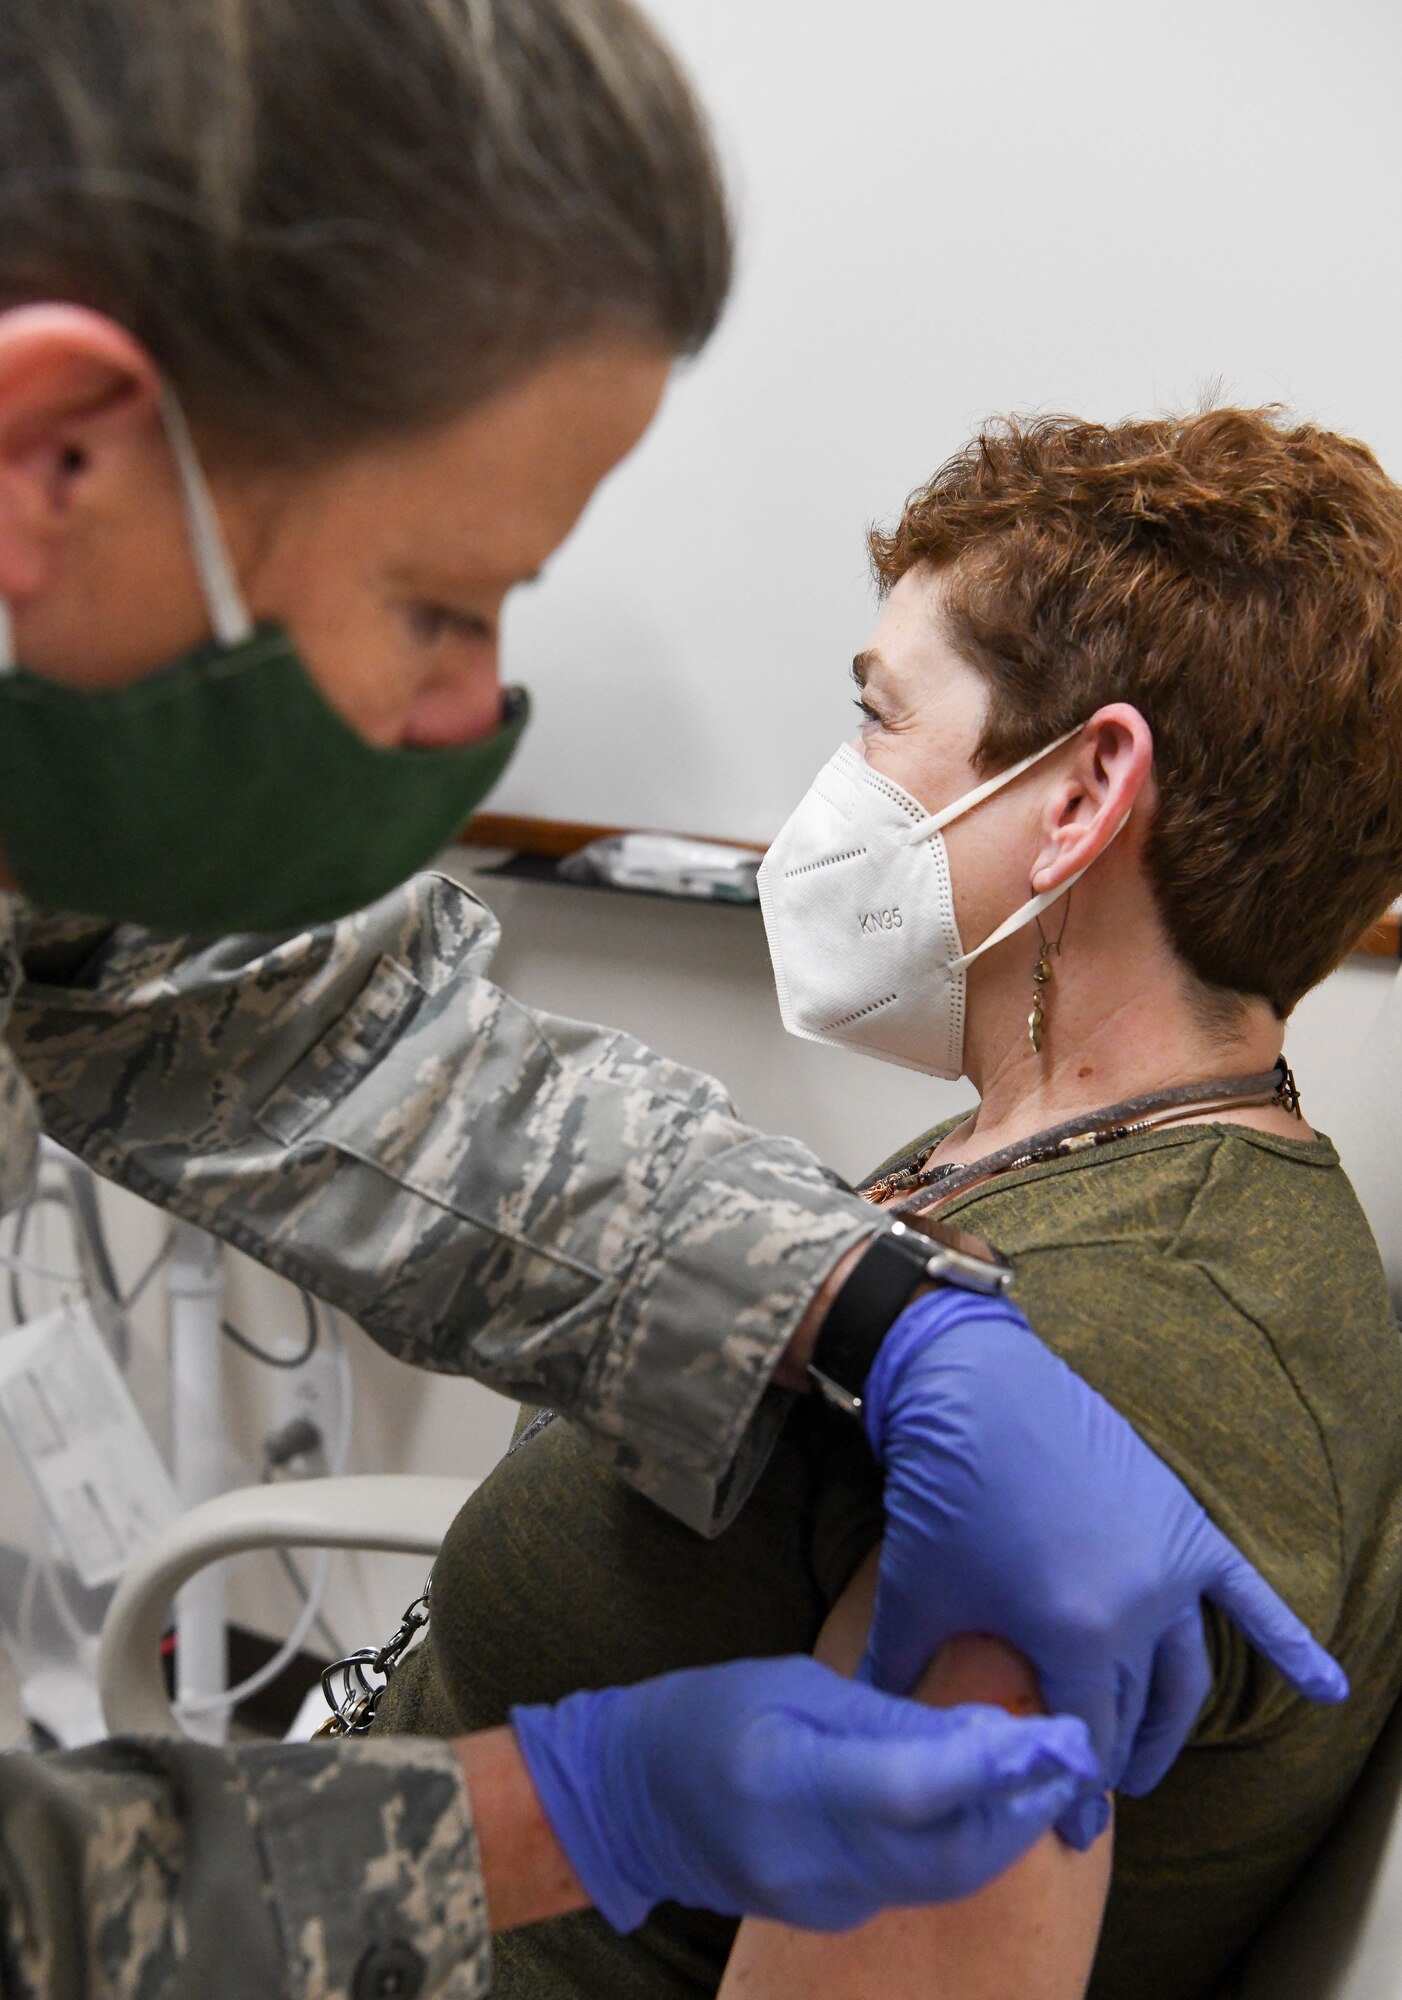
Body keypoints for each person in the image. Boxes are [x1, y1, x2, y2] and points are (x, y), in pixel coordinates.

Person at [0, 4, 1345, 1993]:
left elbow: (322, 1041)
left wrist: (868, 1313)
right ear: (64, 448)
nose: (469, 714)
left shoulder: (1135, 1333)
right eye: (434, 597)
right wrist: (570, 1814)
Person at [370, 407, 1402, 2000]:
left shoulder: (1114, 1370)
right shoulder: (1037, 1150)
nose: (836, 784)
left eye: (877, 716)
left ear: (1076, 799)